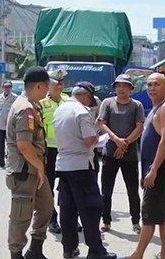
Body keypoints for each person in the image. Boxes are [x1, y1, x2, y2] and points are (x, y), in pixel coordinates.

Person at [53, 81, 117, 259]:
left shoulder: (60, 109)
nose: (90, 103)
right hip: (81, 166)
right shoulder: (81, 111)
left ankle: (69, 248)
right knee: (91, 209)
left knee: (67, 209)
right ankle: (96, 251)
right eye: (90, 100)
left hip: (63, 166)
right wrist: (101, 137)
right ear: (86, 96)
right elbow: (89, 140)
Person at [5, 66, 54, 259]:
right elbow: (24, 145)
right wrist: (41, 167)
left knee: (46, 206)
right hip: (25, 171)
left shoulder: (34, 105)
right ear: (40, 86)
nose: (48, 89)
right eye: (47, 85)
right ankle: (16, 253)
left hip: (35, 168)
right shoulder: (25, 109)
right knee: (21, 215)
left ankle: (35, 250)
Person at [127, 73, 165, 259]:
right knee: (161, 214)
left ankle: (137, 255)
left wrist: (154, 169)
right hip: (153, 169)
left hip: (159, 169)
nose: (152, 88)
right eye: (149, 85)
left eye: (156, 84)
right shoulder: (156, 108)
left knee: (147, 215)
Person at [97, 74, 144, 234]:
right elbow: (101, 123)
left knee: (132, 190)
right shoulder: (108, 103)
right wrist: (117, 140)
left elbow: (140, 127)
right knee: (106, 189)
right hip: (110, 152)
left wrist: (125, 143)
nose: (121, 89)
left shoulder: (136, 105)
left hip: (129, 154)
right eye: (118, 86)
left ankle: (136, 221)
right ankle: (106, 220)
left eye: (125, 86)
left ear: (131, 89)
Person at [39, 69, 69, 234]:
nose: (59, 85)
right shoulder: (41, 103)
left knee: (67, 186)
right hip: (48, 151)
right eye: (56, 82)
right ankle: (52, 218)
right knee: (48, 187)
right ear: (47, 85)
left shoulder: (69, 101)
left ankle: (68, 217)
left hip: (66, 150)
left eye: (61, 82)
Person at [0, 81, 18, 168]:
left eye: (9, 87)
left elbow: (17, 111)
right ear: (2, 88)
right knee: (0, 144)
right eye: (5, 87)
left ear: (11, 88)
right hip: (0, 125)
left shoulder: (15, 98)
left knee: (10, 144)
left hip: (10, 126)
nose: (7, 89)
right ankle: (0, 160)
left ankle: (10, 161)